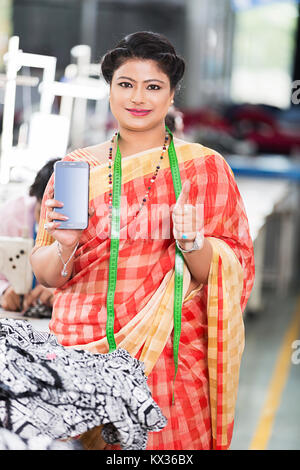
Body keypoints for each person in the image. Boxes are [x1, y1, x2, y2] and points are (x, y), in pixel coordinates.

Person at [30, 31, 255, 450]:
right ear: (110, 90)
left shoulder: (204, 169)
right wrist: (64, 244)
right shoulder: (78, 169)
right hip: (82, 359)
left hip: (170, 360)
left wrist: (193, 244)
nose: (138, 98)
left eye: (153, 87)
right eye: (126, 85)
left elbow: (232, 273)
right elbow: (48, 275)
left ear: (171, 97)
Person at [0, 158, 60, 312]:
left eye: (54, 217)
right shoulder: (10, 216)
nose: (46, 226)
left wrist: (61, 293)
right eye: (42, 213)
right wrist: (4, 290)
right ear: (36, 199)